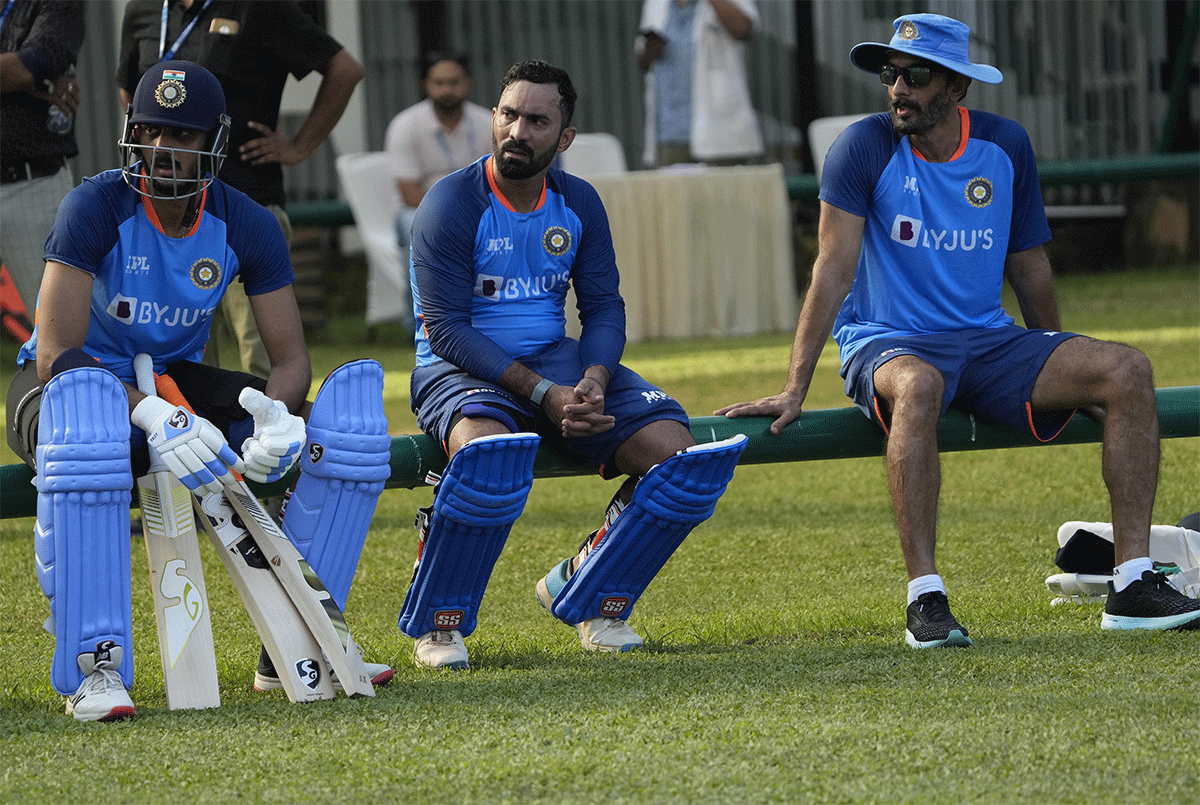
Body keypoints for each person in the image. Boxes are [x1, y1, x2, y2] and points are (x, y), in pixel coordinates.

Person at [717, 13, 1200, 646]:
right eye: (891, 74)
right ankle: (926, 599)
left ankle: (1132, 582)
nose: (898, 89)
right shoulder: (862, 147)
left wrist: (1061, 356)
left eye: (916, 76)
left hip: (989, 341)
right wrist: (794, 386)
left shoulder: (1005, 145)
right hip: (887, 341)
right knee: (918, 386)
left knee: (1127, 369)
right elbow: (832, 269)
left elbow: (1029, 266)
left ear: (958, 88)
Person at [5, 61, 391, 721]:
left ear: (212, 140)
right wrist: (153, 413)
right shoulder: (95, 205)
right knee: (92, 435)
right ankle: (95, 667)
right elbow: (53, 353)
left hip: (170, 382)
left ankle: (300, 643)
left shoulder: (245, 222)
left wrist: (277, 416)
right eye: (150, 129)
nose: (162, 148)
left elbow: (292, 357)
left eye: (180, 135)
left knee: (341, 435)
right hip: (71, 388)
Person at [399, 60, 746, 670]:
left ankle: (590, 593)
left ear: (564, 138)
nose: (516, 131)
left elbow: (605, 307)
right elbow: (448, 330)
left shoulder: (578, 200)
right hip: (459, 370)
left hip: (556, 364)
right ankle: (439, 625)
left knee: (683, 462)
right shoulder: (450, 202)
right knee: (486, 459)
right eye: (508, 114)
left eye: (537, 121)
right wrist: (543, 394)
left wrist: (592, 379)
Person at [117, 0, 363, 378]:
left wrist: (299, 146)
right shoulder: (144, 9)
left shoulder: (259, 7)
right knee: (177, 355)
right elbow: (131, 94)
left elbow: (345, 69)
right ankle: (189, 432)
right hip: (168, 211)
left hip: (247, 200)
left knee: (263, 359)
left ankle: (268, 434)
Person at [384, 50, 492, 333]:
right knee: (412, 226)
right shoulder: (406, 125)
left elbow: (497, 181)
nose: (447, 89)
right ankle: (418, 325)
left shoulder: (487, 123)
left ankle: (493, 319)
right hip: (420, 209)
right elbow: (408, 192)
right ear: (426, 85)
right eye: (439, 82)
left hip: (479, 208)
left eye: (454, 82)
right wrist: (451, 216)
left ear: (467, 83)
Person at [0, 0, 84, 317]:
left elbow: (36, 64)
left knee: (57, 323)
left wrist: (28, 76)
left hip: (32, 185)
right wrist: (20, 80)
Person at [635, 0, 763, 168]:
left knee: (722, 192)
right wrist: (652, 48)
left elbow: (744, 29)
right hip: (669, 132)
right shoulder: (655, 4)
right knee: (673, 192)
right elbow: (641, 59)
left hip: (719, 132)